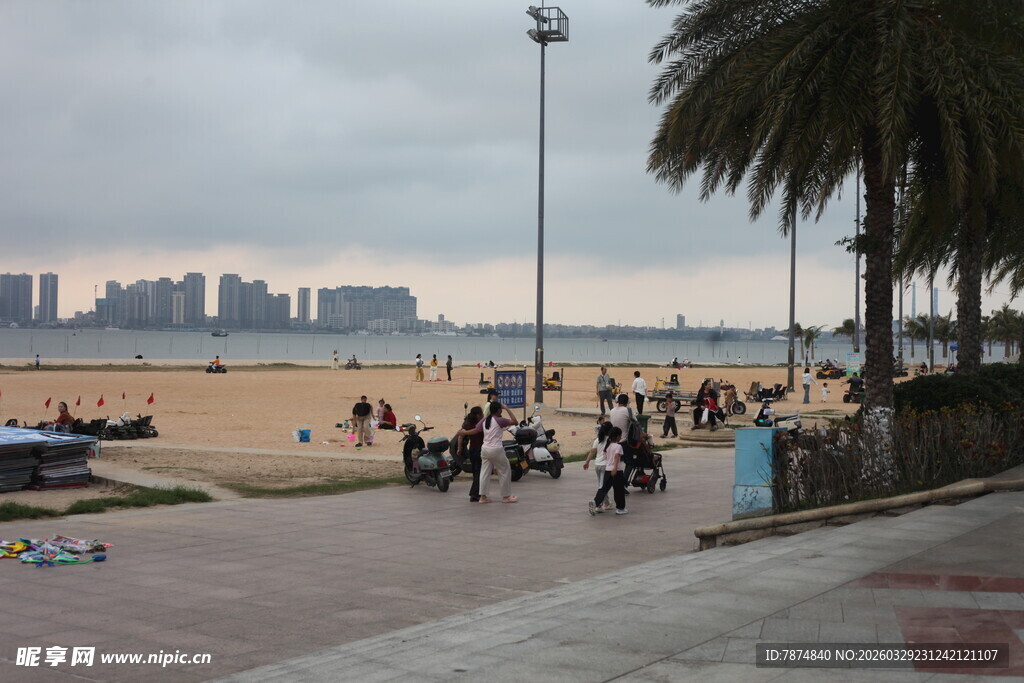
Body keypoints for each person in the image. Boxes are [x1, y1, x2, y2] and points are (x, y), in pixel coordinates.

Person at [462, 401, 518, 504]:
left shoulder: (484, 419)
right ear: (498, 410)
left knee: (484, 473)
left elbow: (476, 430)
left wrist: (464, 432)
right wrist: (507, 408)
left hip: (485, 449)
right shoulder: (499, 420)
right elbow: (515, 421)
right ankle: (506, 497)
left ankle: (483, 497)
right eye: (500, 409)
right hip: (496, 449)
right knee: (505, 471)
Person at [588, 426, 628, 516]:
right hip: (616, 471)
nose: (621, 437)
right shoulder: (618, 446)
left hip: (607, 470)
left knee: (604, 488)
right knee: (619, 490)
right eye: (620, 436)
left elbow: (606, 456)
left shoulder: (608, 446)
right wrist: (614, 468)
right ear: (617, 436)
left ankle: (595, 502)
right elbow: (617, 457)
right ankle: (620, 508)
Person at [454, 406, 485, 502]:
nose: (483, 415)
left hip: (472, 450)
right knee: (479, 472)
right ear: (478, 415)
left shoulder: (467, 424)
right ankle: (474, 494)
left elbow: (460, 435)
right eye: (481, 414)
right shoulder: (481, 424)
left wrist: (459, 448)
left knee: (476, 472)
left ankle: (477, 493)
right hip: (479, 450)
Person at [583, 418, 613, 511]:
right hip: (606, 466)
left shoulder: (598, 440)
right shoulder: (611, 440)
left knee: (602, 484)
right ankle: (597, 504)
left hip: (597, 464)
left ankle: (607, 502)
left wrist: (587, 462)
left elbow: (592, 452)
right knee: (603, 486)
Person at [609, 393, 637, 486]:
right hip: (624, 441)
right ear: (627, 402)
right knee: (630, 463)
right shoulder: (628, 411)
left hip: (613, 442)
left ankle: (616, 482)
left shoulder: (612, 410)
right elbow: (636, 422)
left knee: (615, 463)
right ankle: (623, 483)